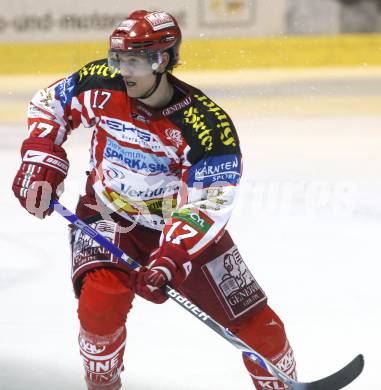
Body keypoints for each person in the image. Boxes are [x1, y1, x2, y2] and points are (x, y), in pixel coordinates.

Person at [12, 10, 297, 390]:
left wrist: (173, 254)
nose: (122, 70)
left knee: (262, 332)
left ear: (161, 60)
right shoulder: (101, 84)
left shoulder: (206, 126)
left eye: (134, 61)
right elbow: (49, 103)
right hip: (105, 215)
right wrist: (40, 155)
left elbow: (207, 202)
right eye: (118, 59)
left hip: (174, 229)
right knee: (99, 311)